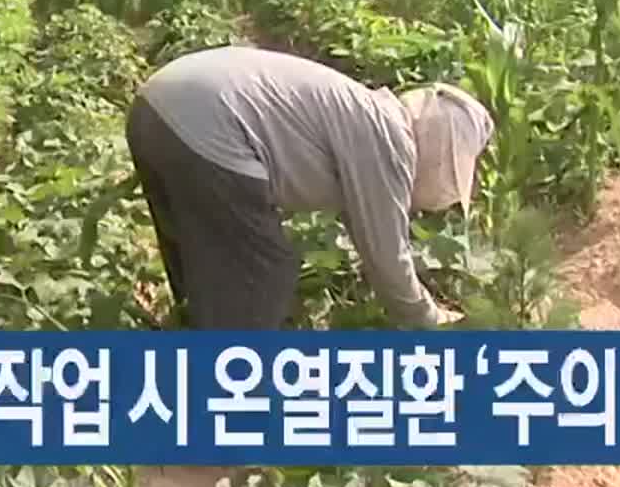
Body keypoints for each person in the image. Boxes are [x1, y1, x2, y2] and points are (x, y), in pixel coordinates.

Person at [125, 46, 494, 330]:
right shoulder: (390, 140)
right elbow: (386, 258)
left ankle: (193, 341)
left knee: (198, 254)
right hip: (210, 125)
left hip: (156, 106)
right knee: (263, 271)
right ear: (441, 147)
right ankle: (234, 392)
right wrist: (431, 319)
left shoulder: (365, 114)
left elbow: (364, 229)